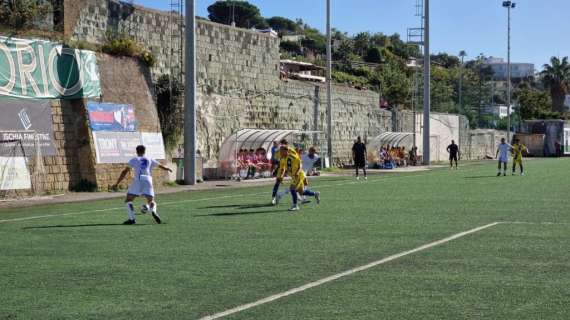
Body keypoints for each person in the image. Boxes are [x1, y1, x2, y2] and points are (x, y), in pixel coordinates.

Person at [113, 145, 173, 225]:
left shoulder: (134, 159)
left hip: (138, 179)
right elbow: (161, 166)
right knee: (151, 201)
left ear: (136, 151)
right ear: (145, 151)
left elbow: (125, 171)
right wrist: (167, 169)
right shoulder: (149, 158)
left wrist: (117, 183)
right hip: (148, 179)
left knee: (128, 200)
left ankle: (132, 219)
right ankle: (153, 211)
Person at [277, 146, 320, 212]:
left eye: (281, 150)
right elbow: (282, 169)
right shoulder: (282, 159)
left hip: (299, 175)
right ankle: (315, 194)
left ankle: (295, 205)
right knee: (301, 192)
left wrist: (297, 172)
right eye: (280, 150)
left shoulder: (292, 156)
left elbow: (300, 164)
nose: (280, 152)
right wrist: (281, 177)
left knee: (292, 188)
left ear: (286, 151)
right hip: (294, 176)